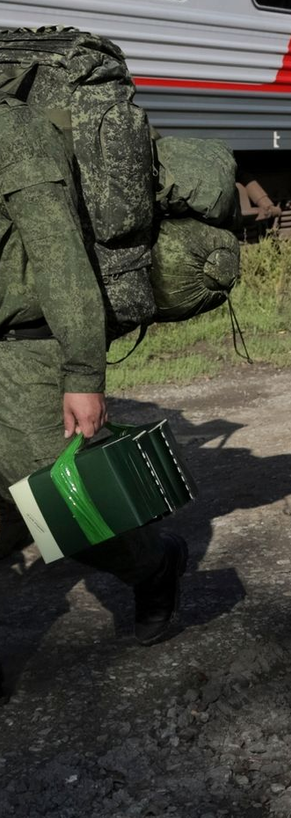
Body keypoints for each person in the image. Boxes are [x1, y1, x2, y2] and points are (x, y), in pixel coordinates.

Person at [0, 95, 188, 693]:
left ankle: (153, 565)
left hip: (23, 353)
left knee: (60, 504)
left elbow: (60, 258)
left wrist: (83, 373)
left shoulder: (12, 128)